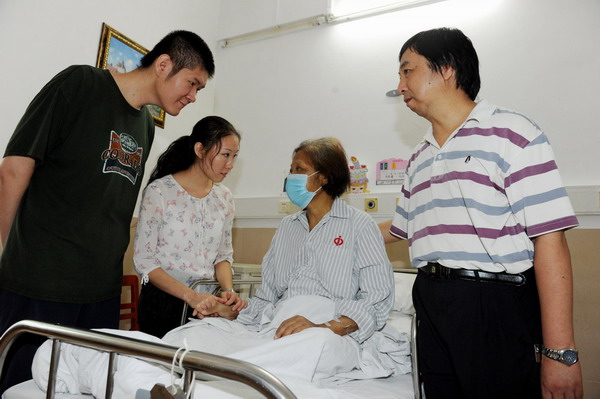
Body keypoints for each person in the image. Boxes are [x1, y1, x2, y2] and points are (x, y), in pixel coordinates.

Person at [0, 30, 215, 393]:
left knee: (86, 386)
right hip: (41, 280)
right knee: (22, 387)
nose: (193, 96)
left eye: (199, 89)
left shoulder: (145, 125)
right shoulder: (80, 84)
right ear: (164, 65)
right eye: (191, 83)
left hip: (100, 291)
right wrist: (6, 251)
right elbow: (14, 168)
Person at [378, 27, 583, 398]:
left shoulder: (512, 134)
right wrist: (332, 225)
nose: (399, 85)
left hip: (492, 305)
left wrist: (559, 353)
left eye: (407, 70)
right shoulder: (419, 157)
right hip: (430, 297)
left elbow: (549, 241)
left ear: (446, 69)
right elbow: (397, 231)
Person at [180, 137, 397, 379]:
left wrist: (323, 327)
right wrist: (230, 312)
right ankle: (231, 370)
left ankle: (223, 371)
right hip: (278, 325)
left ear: (324, 176)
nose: (290, 178)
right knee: (193, 334)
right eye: (291, 170)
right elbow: (266, 298)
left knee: (313, 345)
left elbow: (376, 301)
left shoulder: (360, 225)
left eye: (299, 170)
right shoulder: (287, 227)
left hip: (333, 332)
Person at [133, 116, 247, 338]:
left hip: (208, 305)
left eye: (234, 156)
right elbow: (144, 261)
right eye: (225, 155)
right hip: (164, 303)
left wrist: (228, 291)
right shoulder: (160, 192)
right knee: (161, 370)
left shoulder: (224, 197)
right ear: (200, 149)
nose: (230, 164)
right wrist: (190, 296)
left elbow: (223, 256)